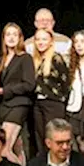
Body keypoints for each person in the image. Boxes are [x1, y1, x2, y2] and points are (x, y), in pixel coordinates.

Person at [0, 22, 36, 166]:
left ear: (20, 38)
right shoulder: (1, 60)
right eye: (8, 34)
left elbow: (29, 85)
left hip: (19, 105)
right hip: (4, 106)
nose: (11, 38)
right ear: (3, 38)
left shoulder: (25, 58)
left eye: (14, 35)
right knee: (17, 148)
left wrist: (6, 90)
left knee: (4, 149)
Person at [29, 29, 71, 157]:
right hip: (38, 103)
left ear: (51, 41)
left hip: (54, 103)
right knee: (41, 137)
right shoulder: (35, 60)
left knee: (55, 138)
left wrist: (61, 100)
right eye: (38, 39)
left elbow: (66, 83)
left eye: (44, 39)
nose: (41, 42)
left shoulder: (56, 58)